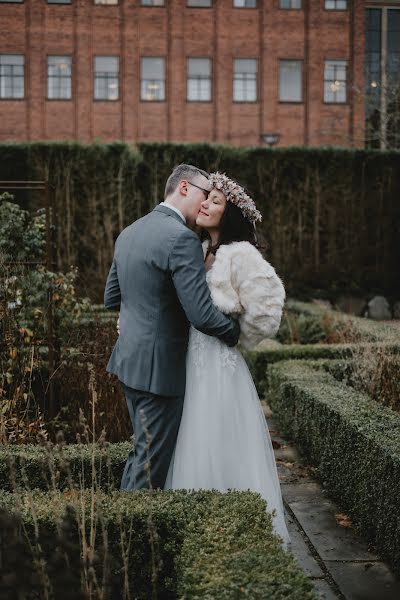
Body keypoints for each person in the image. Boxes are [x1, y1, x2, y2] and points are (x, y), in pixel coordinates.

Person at [163, 172, 291, 547]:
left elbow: (268, 310)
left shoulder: (242, 254)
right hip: (190, 361)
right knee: (191, 438)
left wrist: (235, 336)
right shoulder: (198, 248)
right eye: (206, 198)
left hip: (220, 364)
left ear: (230, 213)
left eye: (216, 201)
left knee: (220, 437)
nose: (205, 204)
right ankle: (198, 536)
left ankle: (241, 540)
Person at [104, 164, 240, 491]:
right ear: (183, 188)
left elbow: (112, 297)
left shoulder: (130, 231)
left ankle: (124, 526)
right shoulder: (181, 238)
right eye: (204, 195)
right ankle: (129, 535)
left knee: (142, 453)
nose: (206, 204)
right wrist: (236, 333)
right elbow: (202, 314)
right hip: (158, 372)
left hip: (128, 363)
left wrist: (135, 312)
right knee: (148, 465)